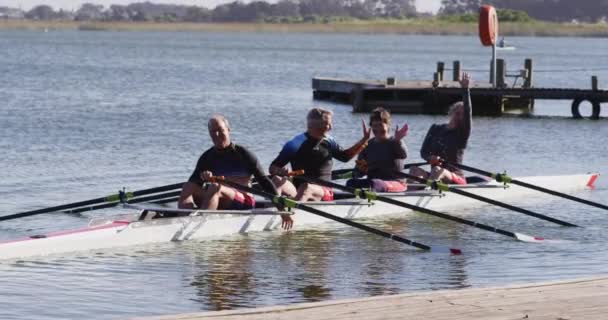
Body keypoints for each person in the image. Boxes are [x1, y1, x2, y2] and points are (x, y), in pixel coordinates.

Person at [178, 114, 280, 214]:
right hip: (219, 197)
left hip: (244, 201)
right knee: (187, 186)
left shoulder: (244, 154)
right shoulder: (207, 157)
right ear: (209, 134)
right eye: (213, 131)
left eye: (220, 130)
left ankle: (202, 221)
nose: (217, 134)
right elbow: (194, 185)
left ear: (228, 129)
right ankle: (182, 219)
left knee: (214, 187)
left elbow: (265, 182)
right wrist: (203, 177)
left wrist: (280, 207)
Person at [269, 107, 370, 206]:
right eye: (327, 124)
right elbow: (273, 167)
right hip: (297, 190)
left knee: (306, 187)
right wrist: (280, 171)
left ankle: (291, 214)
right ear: (313, 126)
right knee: (276, 180)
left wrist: (363, 141)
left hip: (324, 191)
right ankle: (274, 210)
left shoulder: (329, 141)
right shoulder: (295, 143)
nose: (331, 127)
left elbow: (345, 157)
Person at [409, 72, 472, 185]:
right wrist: (430, 158)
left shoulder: (462, 134)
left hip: (455, 179)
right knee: (414, 170)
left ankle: (428, 191)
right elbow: (423, 152)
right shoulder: (435, 128)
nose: (460, 117)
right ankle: (406, 195)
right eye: (457, 113)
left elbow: (468, 111)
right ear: (451, 113)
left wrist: (465, 89)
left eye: (463, 116)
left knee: (438, 170)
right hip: (435, 177)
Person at [346, 107, 409, 192]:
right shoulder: (367, 145)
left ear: (388, 125)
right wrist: (360, 170)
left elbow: (404, 154)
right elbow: (358, 172)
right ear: (371, 127)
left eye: (381, 125)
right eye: (375, 126)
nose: (378, 129)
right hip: (374, 184)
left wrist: (398, 141)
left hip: (396, 183)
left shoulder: (395, 141)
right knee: (350, 183)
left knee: (376, 184)